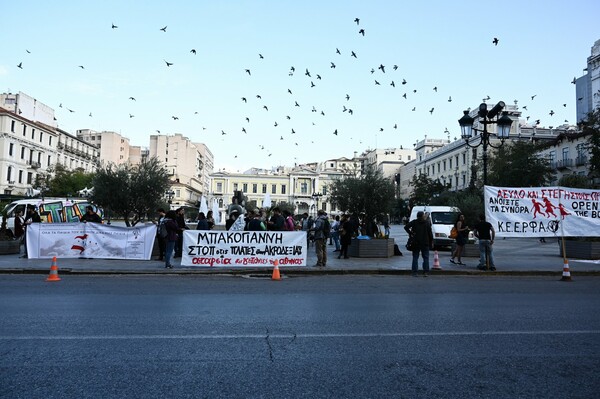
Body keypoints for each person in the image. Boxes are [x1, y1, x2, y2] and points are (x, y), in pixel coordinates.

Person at [404, 211, 434, 276]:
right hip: (425, 242)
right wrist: (431, 241)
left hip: (416, 242)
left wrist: (411, 233)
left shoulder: (414, 222)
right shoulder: (427, 223)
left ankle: (415, 272)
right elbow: (430, 233)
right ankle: (426, 272)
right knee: (426, 258)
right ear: (423, 216)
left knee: (415, 257)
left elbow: (406, 227)